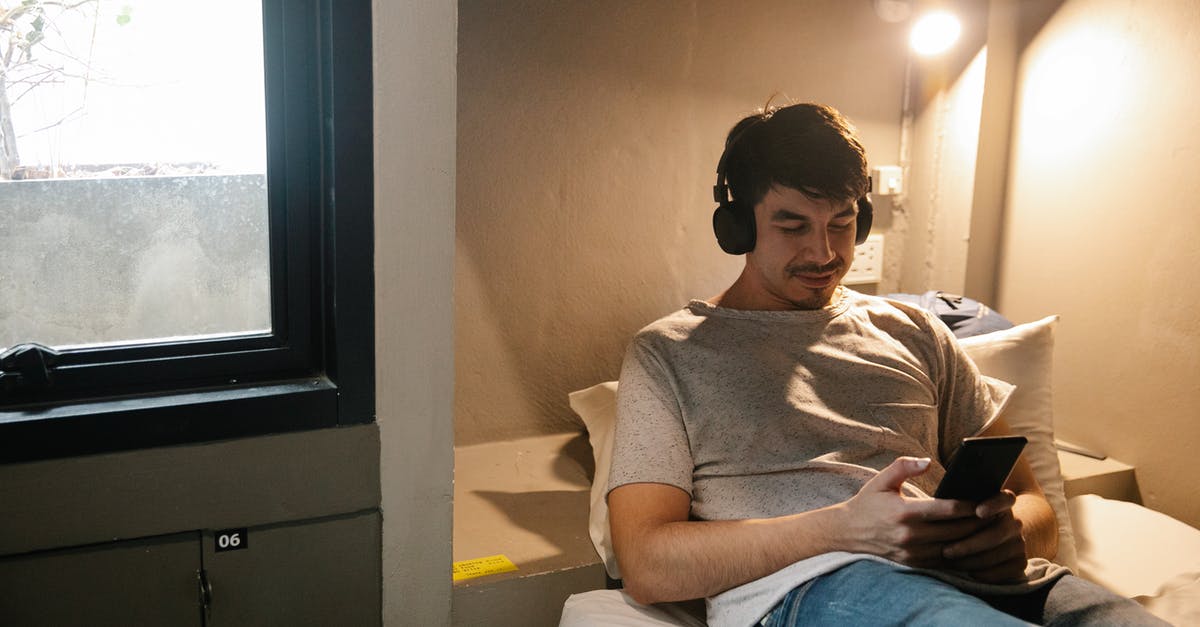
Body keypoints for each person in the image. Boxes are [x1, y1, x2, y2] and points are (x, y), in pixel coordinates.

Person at [606, 102, 1166, 626]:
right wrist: (841, 530)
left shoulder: (915, 331)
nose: (824, 253)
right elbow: (648, 565)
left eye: (843, 222)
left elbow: (1034, 501)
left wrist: (1012, 533)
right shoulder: (669, 354)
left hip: (1006, 581)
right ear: (738, 227)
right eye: (793, 226)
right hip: (822, 585)